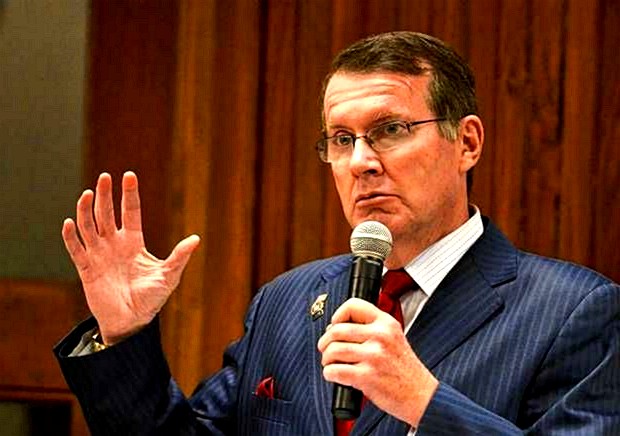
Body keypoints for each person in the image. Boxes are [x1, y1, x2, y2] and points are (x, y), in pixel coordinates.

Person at [55, 31, 619, 435]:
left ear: (466, 143)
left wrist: (424, 401)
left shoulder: (575, 311)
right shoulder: (285, 302)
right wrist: (124, 336)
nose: (360, 162)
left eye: (390, 129)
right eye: (341, 139)